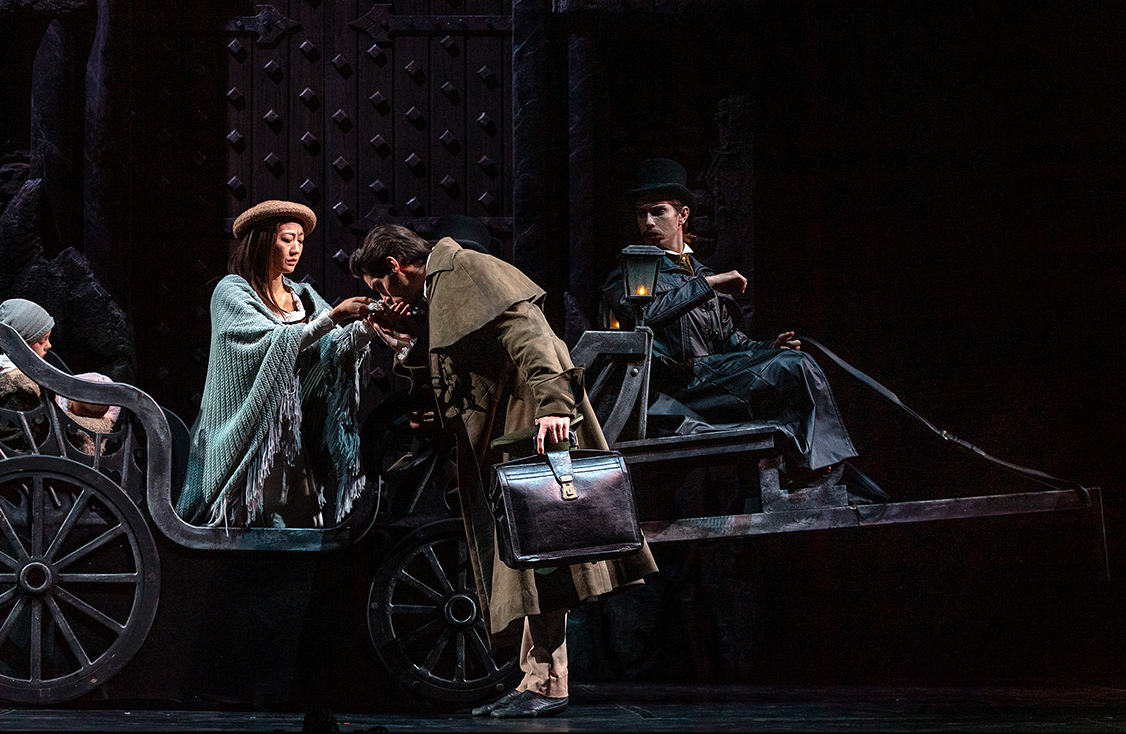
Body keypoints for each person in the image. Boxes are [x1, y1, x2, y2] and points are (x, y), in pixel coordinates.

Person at [350, 224, 658, 719]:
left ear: (395, 266)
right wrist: (406, 340)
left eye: (380, 287)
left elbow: (531, 334)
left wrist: (554, 407)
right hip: (504, 430)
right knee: (527, 561)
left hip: (529, 422)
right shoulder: (441, 288)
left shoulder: (465, 268)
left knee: (542, 559)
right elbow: (456, 359)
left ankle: (549, 682)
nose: (384, 297)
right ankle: (536, 677)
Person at [601, 157, 868, 487]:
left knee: (794, 363)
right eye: (641, 213)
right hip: (674, 388)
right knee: (795, 368)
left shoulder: (700, 274)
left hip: (711, 379)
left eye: (658, 212)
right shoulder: (630, 273)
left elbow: (730, 342)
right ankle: (820, 475)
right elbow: (643, 315)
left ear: (683, 215)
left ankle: (815, 473)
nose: (648, 222)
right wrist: (708, 285)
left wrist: (769, 347)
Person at [175, 200, 375, 528]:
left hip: (291, 438)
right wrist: (334, 316)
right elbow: (269, 342)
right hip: (249, 435)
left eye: (301, 240)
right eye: (287, 239)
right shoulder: (232, 292)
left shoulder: (304, 296)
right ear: (264, 240)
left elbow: (336, 347)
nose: (296, 249)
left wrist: (369, 326)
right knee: (252, 526)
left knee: (298, 528)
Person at [0, 297, 119, 455]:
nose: (48, 346)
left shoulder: (22, 375)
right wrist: (101, 423)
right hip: (33, 451)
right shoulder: (20, 382)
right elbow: (47, 425)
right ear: (22, 343)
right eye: (42, 341)